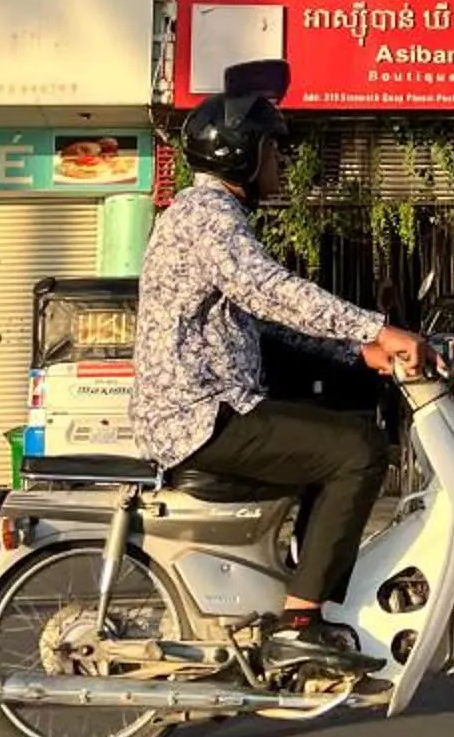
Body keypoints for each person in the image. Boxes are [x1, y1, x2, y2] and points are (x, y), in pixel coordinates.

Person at [130, 89, 426, 674]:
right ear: (243, 153)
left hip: (211, 404)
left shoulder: (205, 215)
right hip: (200, 414)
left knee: (336, 426)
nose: (280, 163)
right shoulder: (207, 216)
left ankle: (301, 580)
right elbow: (269, 291)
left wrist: (356, 350)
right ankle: (299, 622)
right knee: (359, 450)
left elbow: (258, 321)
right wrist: (377, 327)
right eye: (273, 150)